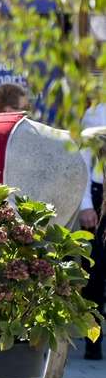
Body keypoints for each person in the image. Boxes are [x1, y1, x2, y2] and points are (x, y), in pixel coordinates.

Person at [81, 102, 105, 359]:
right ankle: (93, 340)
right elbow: (83, 160)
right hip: (100, 197)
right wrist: (86, 204)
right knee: (95, 271)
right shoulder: (95, 112)